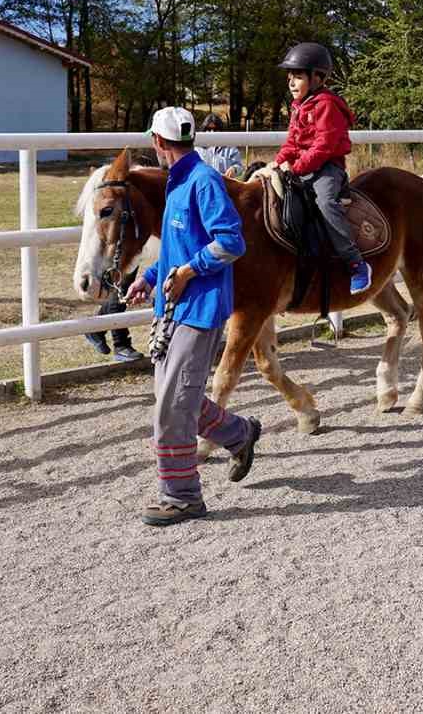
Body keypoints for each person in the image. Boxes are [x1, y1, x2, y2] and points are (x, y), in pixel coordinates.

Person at [123, 106, 264, 526]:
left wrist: (188, 271)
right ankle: (239, 433)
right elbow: (176, 245)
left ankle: (182, 496)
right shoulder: (177, 182)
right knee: (175, 397)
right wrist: (150, 276)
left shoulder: (202, 182)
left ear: (157, 142)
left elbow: (232, 242)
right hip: (173, 306)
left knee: (172, 406)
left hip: (200, 311)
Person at [267, 42, 372, 293]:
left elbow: (324, 145)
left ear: (318, 78)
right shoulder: (298, 106)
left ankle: (355, 262)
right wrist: (278, 161)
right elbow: (292, 141)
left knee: (325, 204)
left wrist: (298, 167)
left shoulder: (326, 105)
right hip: (304, 166)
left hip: (327, 168)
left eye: (299, 76)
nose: (292, 82)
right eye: (290, 76)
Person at [196, 114, 244, 180]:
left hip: (225, 186)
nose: (212, 132)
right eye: (209, 129)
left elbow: (240, 167)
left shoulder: (230, 148)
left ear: (221, 130)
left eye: (215, 129)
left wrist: (234, 169)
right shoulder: (197, 149)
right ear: (204, 129)